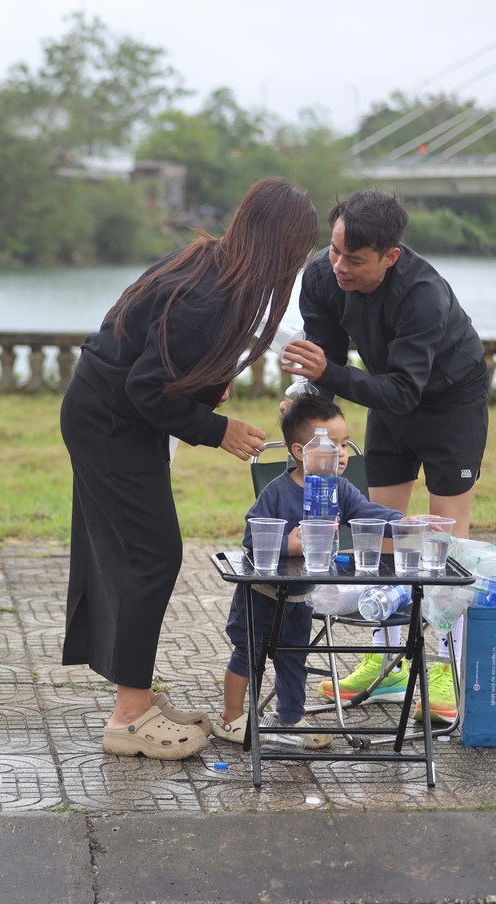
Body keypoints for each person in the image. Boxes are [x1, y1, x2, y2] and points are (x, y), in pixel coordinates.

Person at [61, 177, 319, 760]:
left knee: (138, 554)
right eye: (300, 252)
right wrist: (217, 429)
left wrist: (203, 386)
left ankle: (138, 697)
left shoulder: (207, 261)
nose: (300, 265)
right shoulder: (210, 298)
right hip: (111, 423)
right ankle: (129, 717)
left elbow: (151, 358)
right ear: (281, 246)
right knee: (151, 556)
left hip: (111, 414)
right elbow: (145, 388)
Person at [286, 190, 485, 721]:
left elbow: (399, 390)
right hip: (389, 394)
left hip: (450, 402)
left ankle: (443, 667)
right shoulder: (321, 275)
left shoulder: (423, 295)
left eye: (354, 259)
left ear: (390, 256)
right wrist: (305, 405)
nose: (339, 266)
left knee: (444, 543)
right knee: (378, 534)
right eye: (334, 250)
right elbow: (325, 361)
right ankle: (386, 661)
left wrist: (327, 372)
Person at [212, 395, 402, 749]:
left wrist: (406, 523)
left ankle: (290, 720)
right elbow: (252, 535)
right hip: (262, 595)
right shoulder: (277, 491)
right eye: (333, 445)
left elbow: (369, 514)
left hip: (300, 598)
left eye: (345, 444)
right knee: (247, 655)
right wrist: (288, 543)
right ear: (300, 452)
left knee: (293, 659)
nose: (342, 453)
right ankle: (231, 718)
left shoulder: (340, 490)